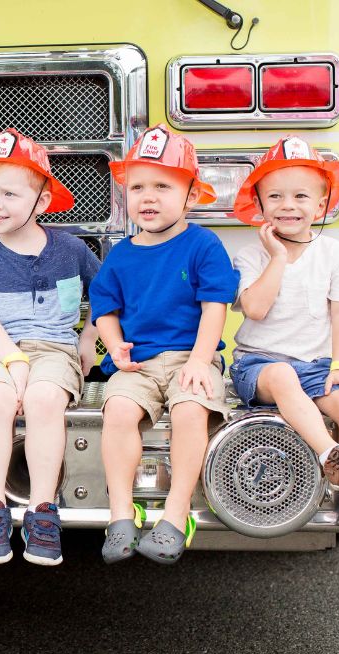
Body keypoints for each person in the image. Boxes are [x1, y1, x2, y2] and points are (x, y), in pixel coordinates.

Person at [228, 136, 339, 545]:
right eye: (276, 196)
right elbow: (256, 310)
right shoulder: (249, 256)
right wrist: (278, 258)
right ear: (260, 206)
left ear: (321, 206)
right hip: (259, 366)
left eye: (302, 196)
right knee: (282, 373)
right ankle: (331, 456)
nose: (288, 205)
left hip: (316, 366)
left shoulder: (333, 252)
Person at [89, 124, 239, 565]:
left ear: (191, 195)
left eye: (162, 185)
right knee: (116, 411)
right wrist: (114, 346)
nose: (148, 197)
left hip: (191, 358)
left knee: (191, 410)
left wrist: (198, 361)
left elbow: (216, 307)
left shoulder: (204, 245)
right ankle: (121, 514)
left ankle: (176, 516)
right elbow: (105, 310)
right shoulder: (120, 253)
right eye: (137, 187)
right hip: (137, 362)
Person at [0, 128, 100, 566]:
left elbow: (111, 296)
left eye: (9, 194)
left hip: (56, 349)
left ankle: (42, 510)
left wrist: (91, 336)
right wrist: (14, 361)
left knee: (43, 399)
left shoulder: (72, 250)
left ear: (41, 202)